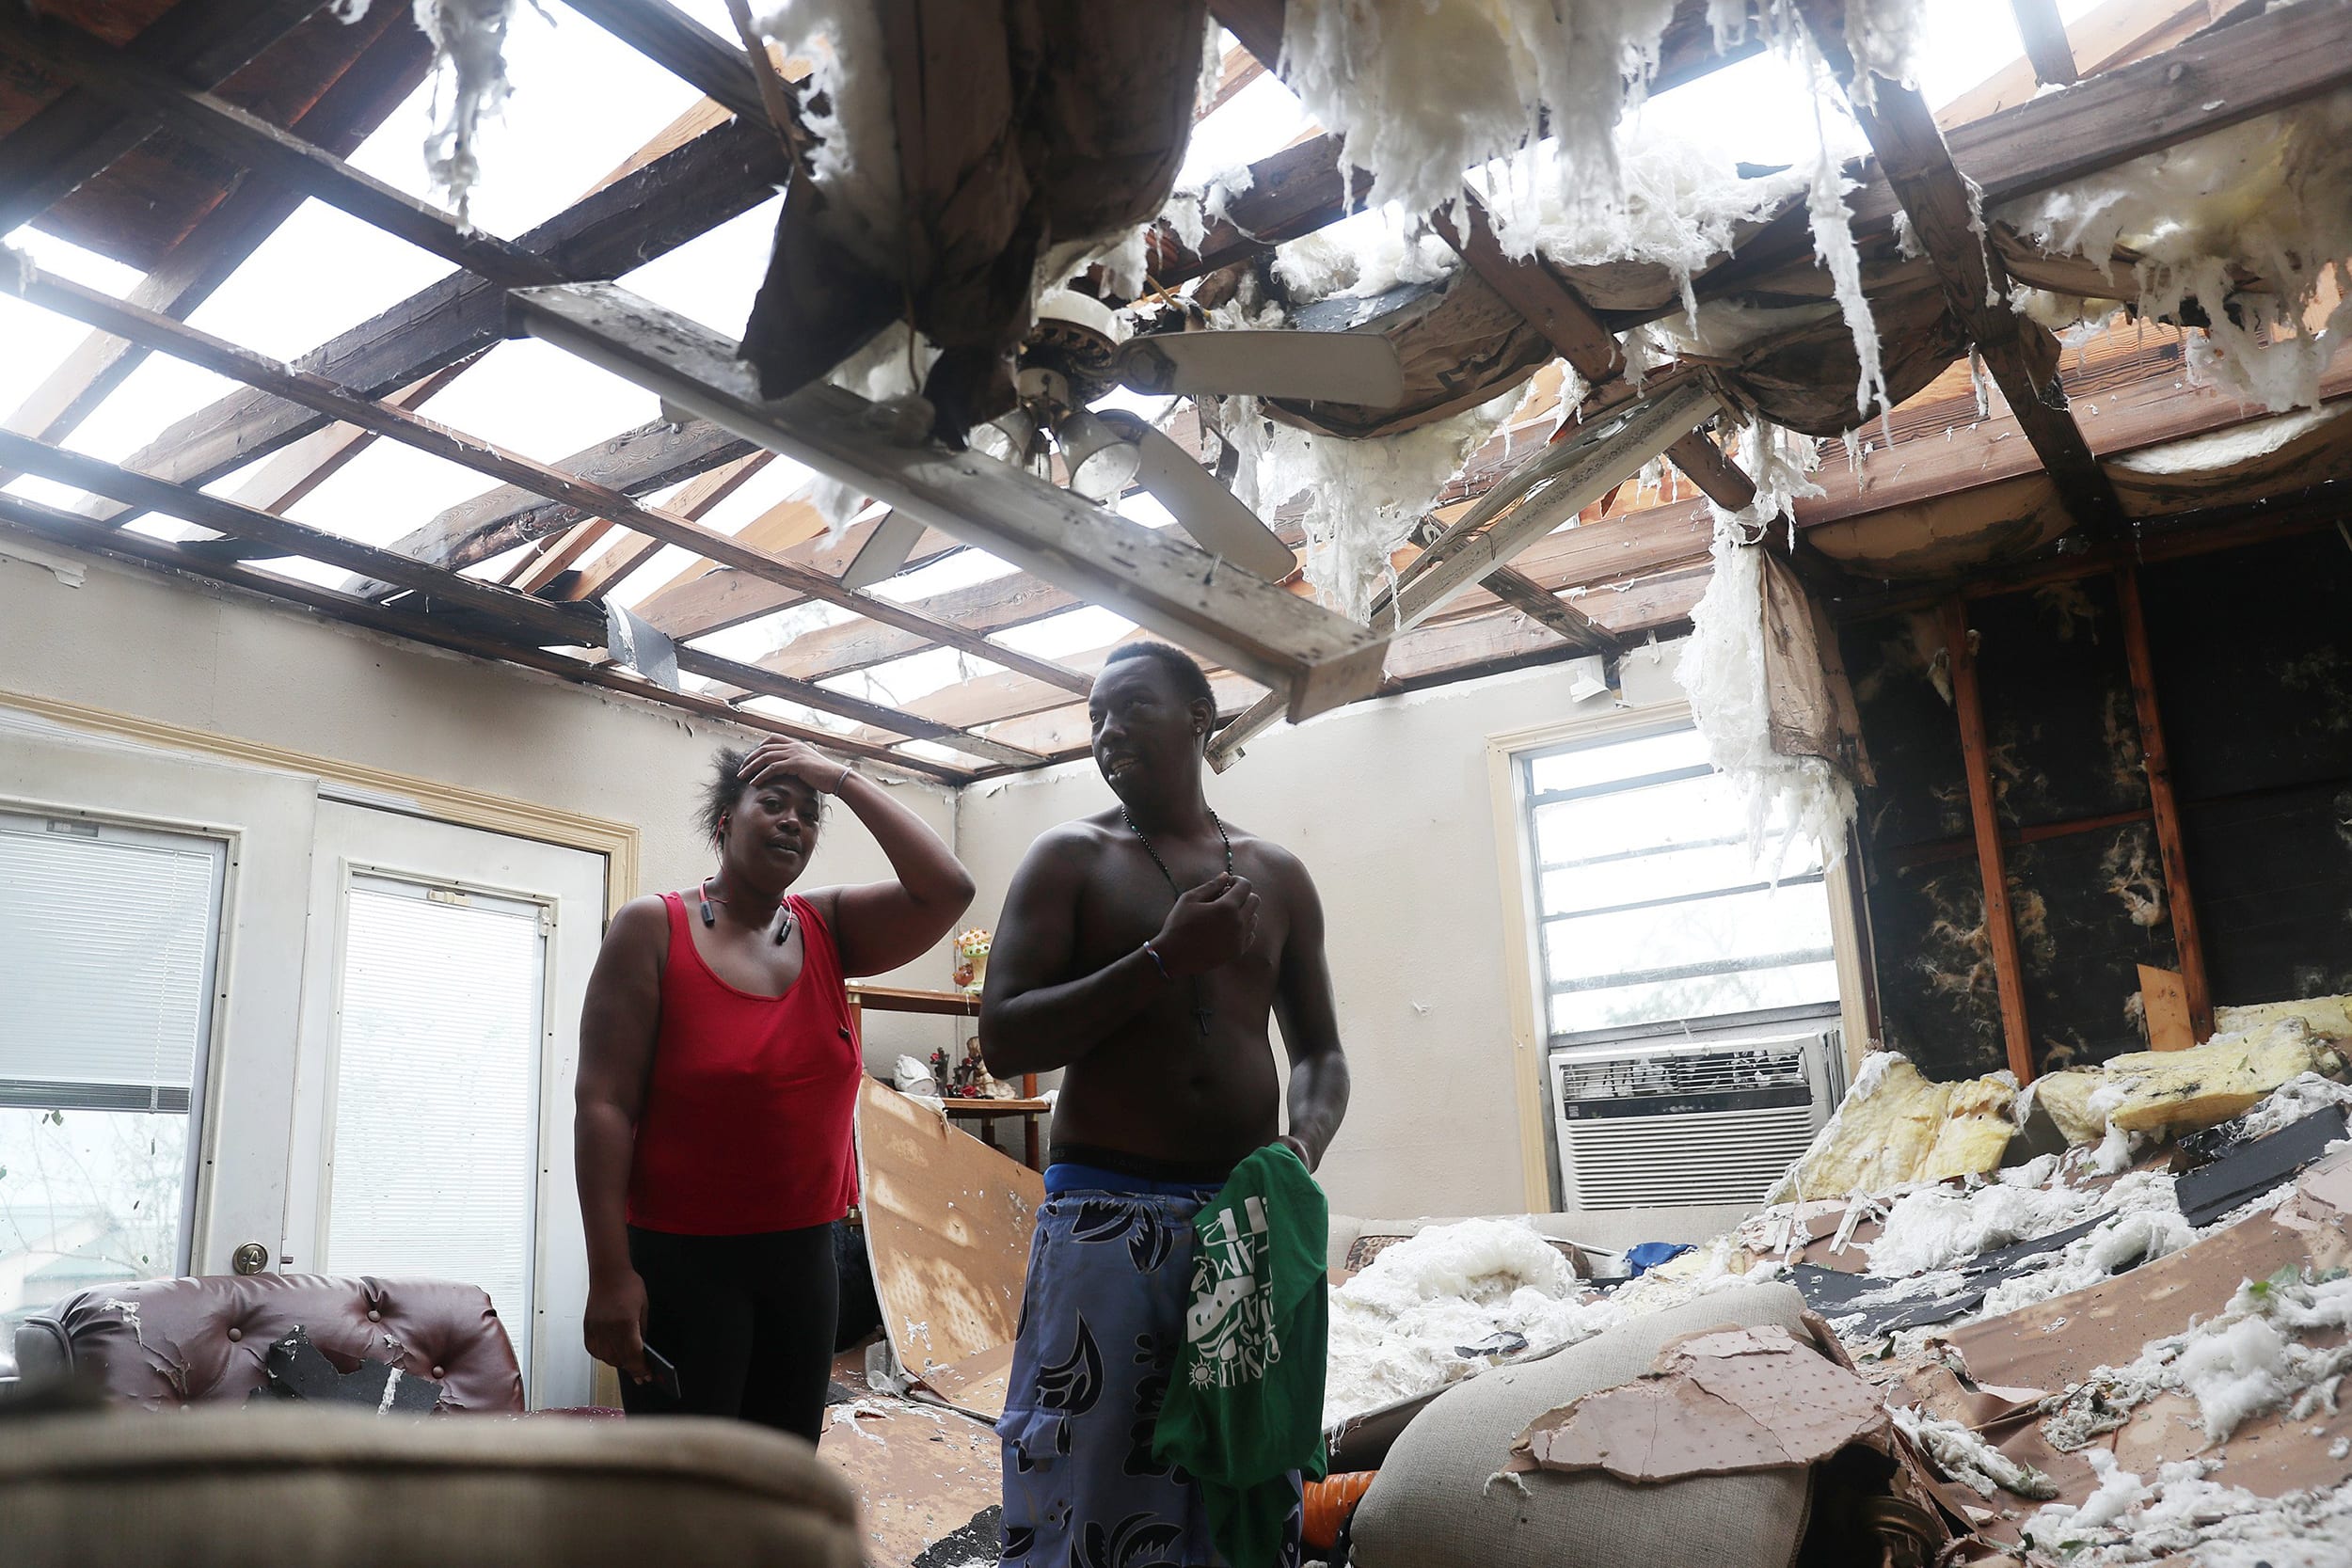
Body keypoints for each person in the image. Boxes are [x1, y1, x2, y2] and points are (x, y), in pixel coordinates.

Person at [979, 641, 1350, 1567]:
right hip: (1105, 1216)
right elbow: (1006, 1042)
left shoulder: (1280, 874)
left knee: (1241, 1465)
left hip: (1242, 1221)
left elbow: (1321, 1054)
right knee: (1088, 1468)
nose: (1105, 730)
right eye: (1093, 714)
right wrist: (1160, 959)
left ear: (1198, 715)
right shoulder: (1068, 857)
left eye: (1129, 707)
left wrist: (1296, 1152)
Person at [575, 737, 974, 1440]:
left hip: (803, 1263)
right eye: (773, 801)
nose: (794, 820)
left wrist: (843, 778)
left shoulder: (829, 928)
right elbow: (604, 1106)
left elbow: (948, 888)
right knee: (688, 1492)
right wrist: (609, 1273)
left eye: (809, 811)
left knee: (780, 1481)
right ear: (725, 819)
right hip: (680, 1263)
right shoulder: (651, 929)